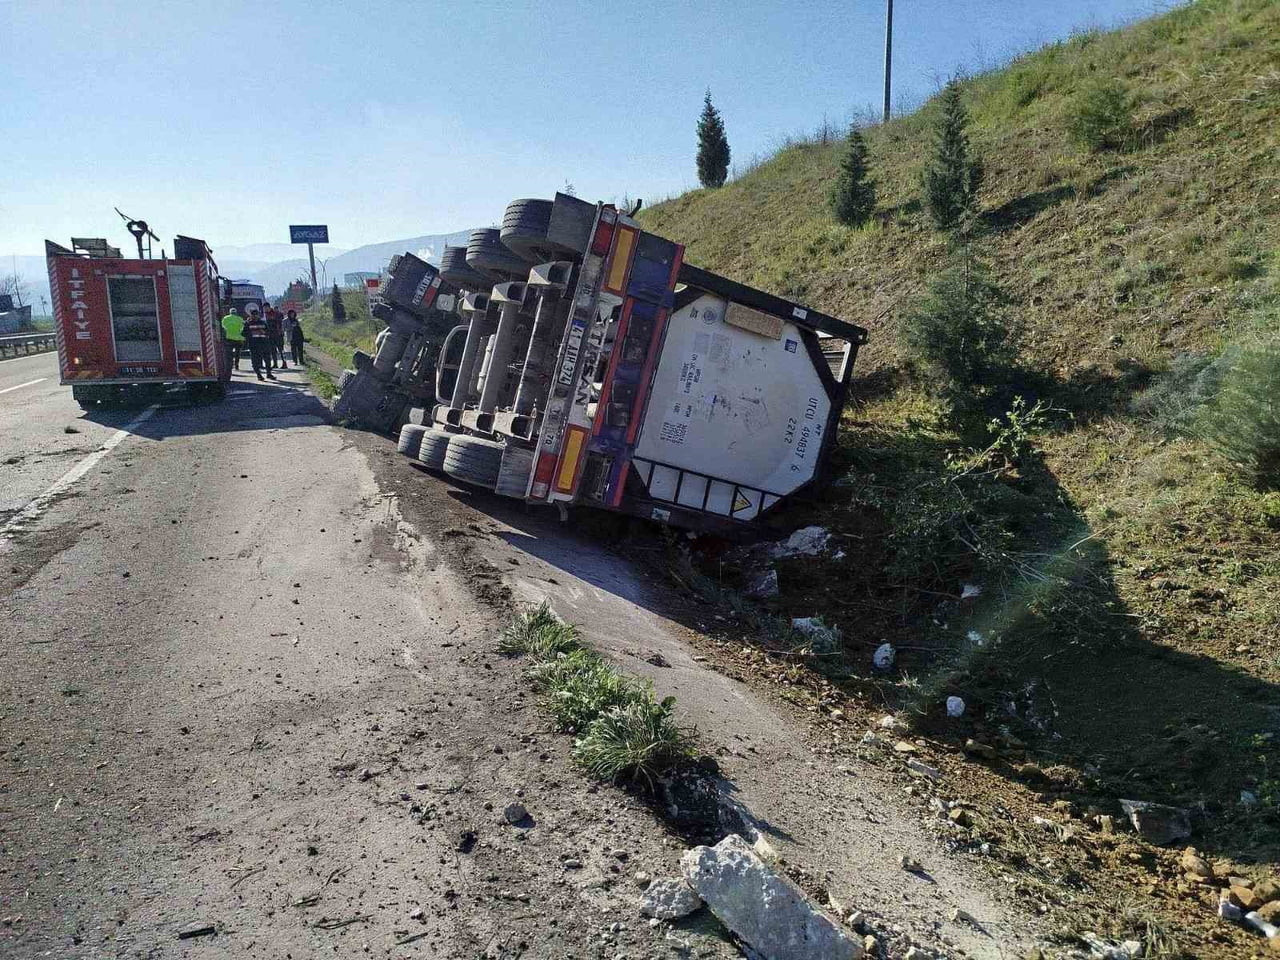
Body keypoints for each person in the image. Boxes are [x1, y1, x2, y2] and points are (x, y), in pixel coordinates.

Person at [242, 309, 275, 382]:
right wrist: (251, 334)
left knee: (267, 360)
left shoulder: (263, 322)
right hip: (254, 345)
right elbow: (243, 333)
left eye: (256, 314)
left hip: (264, 344)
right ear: (251, 315)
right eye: (253, 314)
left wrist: (264, 332)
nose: (255, 316)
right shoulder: (248, 323)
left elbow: (268, 332)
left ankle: (269, 373)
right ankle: (259, 375)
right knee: (255, 361)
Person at [265, 306, 286, 370]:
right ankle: (275, 364)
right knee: (273, 351)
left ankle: (284, 363)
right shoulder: (266, 315)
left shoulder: (277, 314)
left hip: (278, 335)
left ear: (269, 307)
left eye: (266, 308)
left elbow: (280, 323)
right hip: (271, 335)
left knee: (281, 350)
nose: (265, 309)